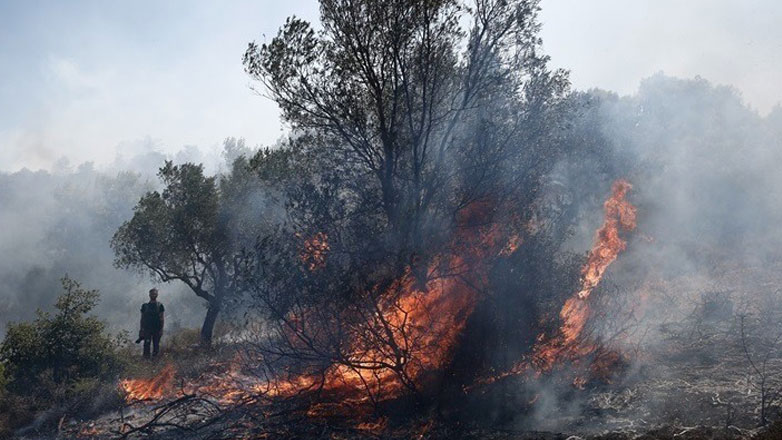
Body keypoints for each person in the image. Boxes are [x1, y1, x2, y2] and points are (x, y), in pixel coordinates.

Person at [137, 288, 165, 359]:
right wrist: (141, 330)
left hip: (157, 329)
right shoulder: (145, 306)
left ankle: (155, 361)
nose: (153, 295)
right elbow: (142, 318)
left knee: (156, 345)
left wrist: (161, 329)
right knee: (146, 345)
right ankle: (146, 361)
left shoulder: (160, 305)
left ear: (157, 295)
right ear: (149, 295)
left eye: (155, 294)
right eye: (152, 293)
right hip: (147, 329)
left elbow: (162, 318)